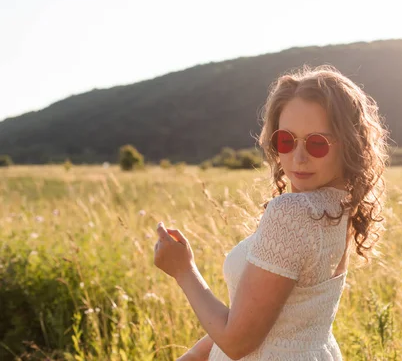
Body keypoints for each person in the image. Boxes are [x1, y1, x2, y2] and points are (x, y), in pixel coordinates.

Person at [154, 65, 389, 360]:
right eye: (286, 141)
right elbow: (264, 319)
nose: (298, 158)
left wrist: (183, 270)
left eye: (317, 143)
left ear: (350, 144)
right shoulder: (338, 208)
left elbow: (238, 342)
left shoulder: (293, 212)